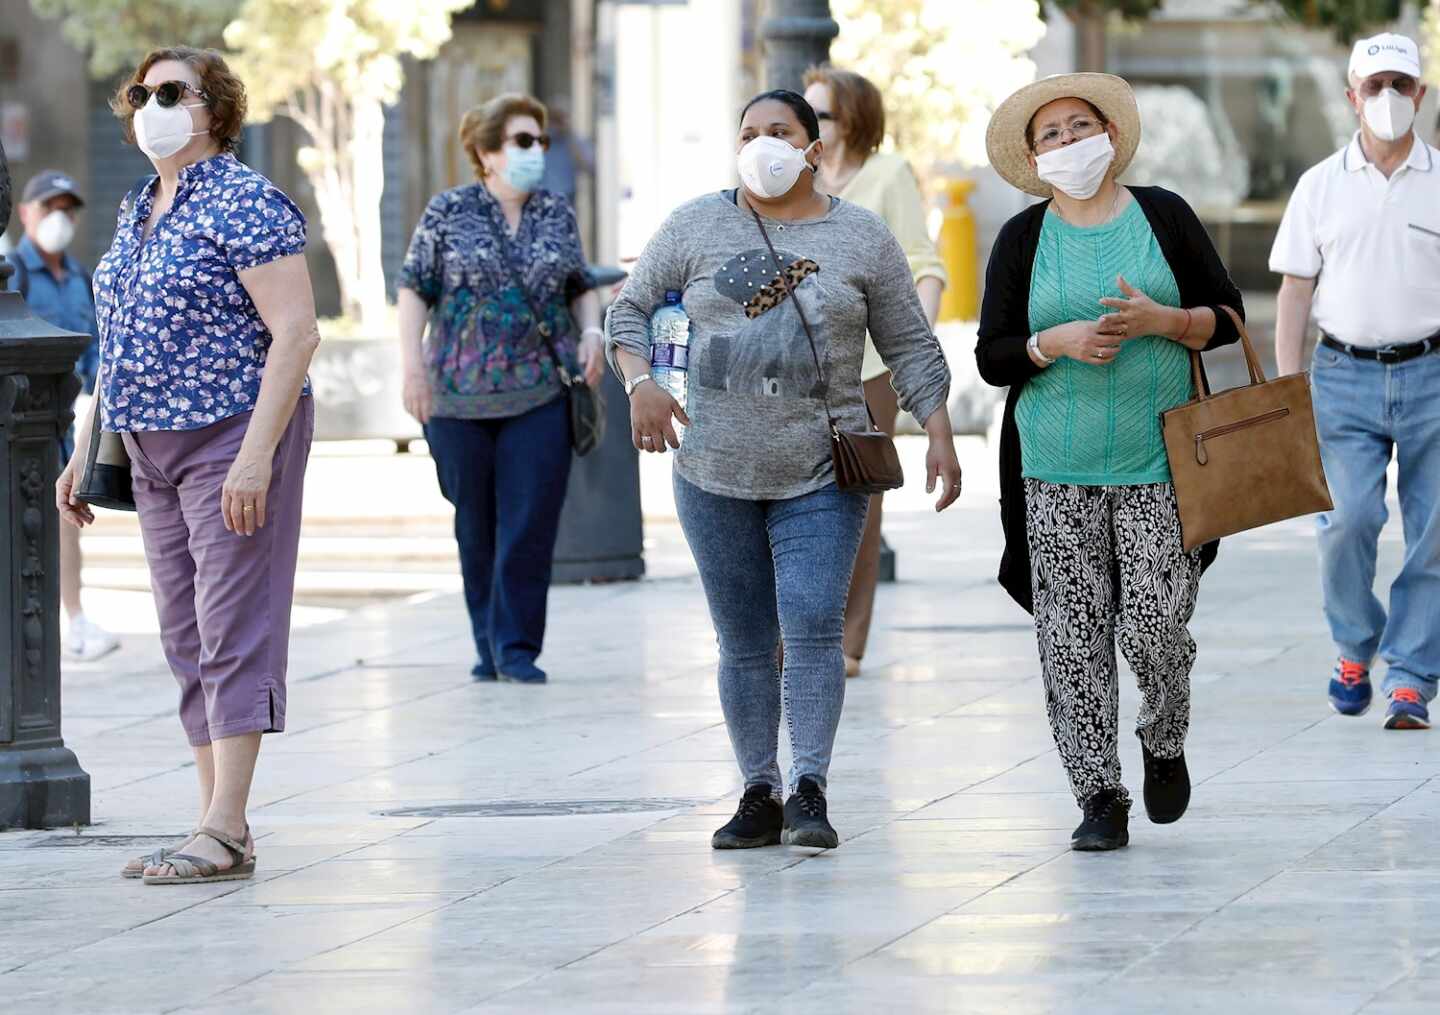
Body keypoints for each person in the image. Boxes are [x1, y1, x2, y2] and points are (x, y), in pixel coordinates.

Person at [606, 89, 961, 851]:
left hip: (822, 469)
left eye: (780, 131)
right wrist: (641, 385)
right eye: (749, 132)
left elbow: (908, 343)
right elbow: (627, 312)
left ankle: (810, 787)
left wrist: (939, 433)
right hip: (711, 469)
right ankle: (757, 788)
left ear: (812, 147)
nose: (762, 144)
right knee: (741, 638)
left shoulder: (861, 236)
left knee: (809, 623)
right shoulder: (696, 223)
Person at [56, 46, 320, 884]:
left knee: (233, 625)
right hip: (147, 447)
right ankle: (217, 826)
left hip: (231, 435)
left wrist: (253, 460)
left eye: (173, 92)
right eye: (143, 92)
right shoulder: (141, 204)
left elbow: (297, 333)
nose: (153, 106)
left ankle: (225, 822)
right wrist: (87, 447)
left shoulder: (244, 200)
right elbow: (124, 337)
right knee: (184, 635)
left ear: (217, 108)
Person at [977, 74, 1244, 852]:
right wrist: (1049, 343)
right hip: (1052, 468)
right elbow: (993, 356)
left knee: (1159, 622)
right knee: (1070, 633)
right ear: (1034, 156)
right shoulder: (1023, 240)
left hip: (1159, 461)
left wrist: (1168, 321)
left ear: (1110, 135)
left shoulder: (1162, 215)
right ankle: (1098, 793)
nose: (1066, 142)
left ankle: (1163, 734)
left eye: (1077, 125)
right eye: (1049, 134)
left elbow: (1226, 317)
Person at [398, 93, 604, 686]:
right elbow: (415, 290)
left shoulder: (557, 213)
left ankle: (516, 647)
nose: (535, 150)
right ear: (486, 152)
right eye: (521, 141)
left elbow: (578, 284)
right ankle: (487, 642)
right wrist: (412, 368)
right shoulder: (447, 211)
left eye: (539, 141)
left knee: (529, 523)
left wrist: (591, 332)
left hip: (541, 392)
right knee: (476, 524)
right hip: (456, 398)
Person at [1270, 34, 1440, 731]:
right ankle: (1354, 643)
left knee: (1435, 531)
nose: (1388, 99)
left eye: (1401, 84)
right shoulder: (1319, 186)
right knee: (1346, 521)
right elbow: (1293, 292)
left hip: (1433, 372)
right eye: (1374, 87)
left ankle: (1410, 674)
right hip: (1342, 375)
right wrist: (1287, 388)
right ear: (1352, 97)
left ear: (1422, 96)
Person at [802, 66, 948, 679]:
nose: (811, 128)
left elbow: (924, 264)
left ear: (853, 119)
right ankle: (798, 633)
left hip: (868, 370)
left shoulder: (888, 176)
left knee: (857, 506)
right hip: (794, 368)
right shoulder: (797, 178)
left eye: (823, 116)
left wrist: (909, 352)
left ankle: (847, 642)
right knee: (796, 497)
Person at [11, 170, 120, 661]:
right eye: (49, 207)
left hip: (70, 419)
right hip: (21, 418)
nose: (59, 218)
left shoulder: (79, 277)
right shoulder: (11, 272)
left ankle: (73, 618)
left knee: (65, 513)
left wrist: (92, 395)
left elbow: (98, 342)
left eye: (67, 209)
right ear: (25, 213)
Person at [537, 96, 594, 208]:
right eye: (554, 118)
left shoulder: (576, 140)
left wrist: (569, 137)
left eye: (561, 118)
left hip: (567, 196)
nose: (556, 124)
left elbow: (589, 166)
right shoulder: (540, 140)